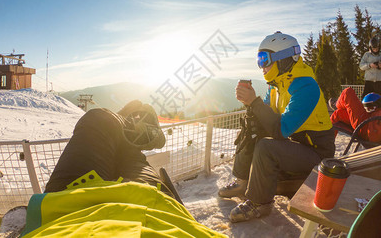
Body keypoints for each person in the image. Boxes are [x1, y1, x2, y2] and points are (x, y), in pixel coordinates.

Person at [20, 101, 226, 237]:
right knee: (133, 156)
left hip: (67, 211)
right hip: (155, 210)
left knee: (99, 118)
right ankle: (134, 132)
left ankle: (125, 124)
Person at [218, 31, 335, 223]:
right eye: (259, 60)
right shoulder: (277, 86)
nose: (261, 66)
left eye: (265, 59)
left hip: (316, 153)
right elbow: (263, 117)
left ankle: (259, 203)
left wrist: (254, 102)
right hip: (295, 146)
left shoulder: (306, 86)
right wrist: (251, 108)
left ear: (284, 58)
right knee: (253, 129)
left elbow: (281, 129)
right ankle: (242, 181)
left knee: (266, 146)